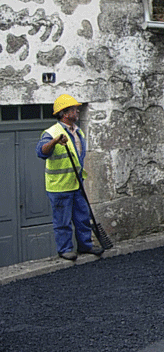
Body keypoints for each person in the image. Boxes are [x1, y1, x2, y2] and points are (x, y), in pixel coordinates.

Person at [36, 94, 103, 260]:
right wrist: (55, 142)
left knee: (82, 217)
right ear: (64, 113)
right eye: (73, 109)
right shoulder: (51, 133)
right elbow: (40, 151)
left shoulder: (78, 132)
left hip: (76, 184)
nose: (77, 111)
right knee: (62, 221)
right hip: (59, 186)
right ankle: (65, 249)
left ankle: (85, 246)